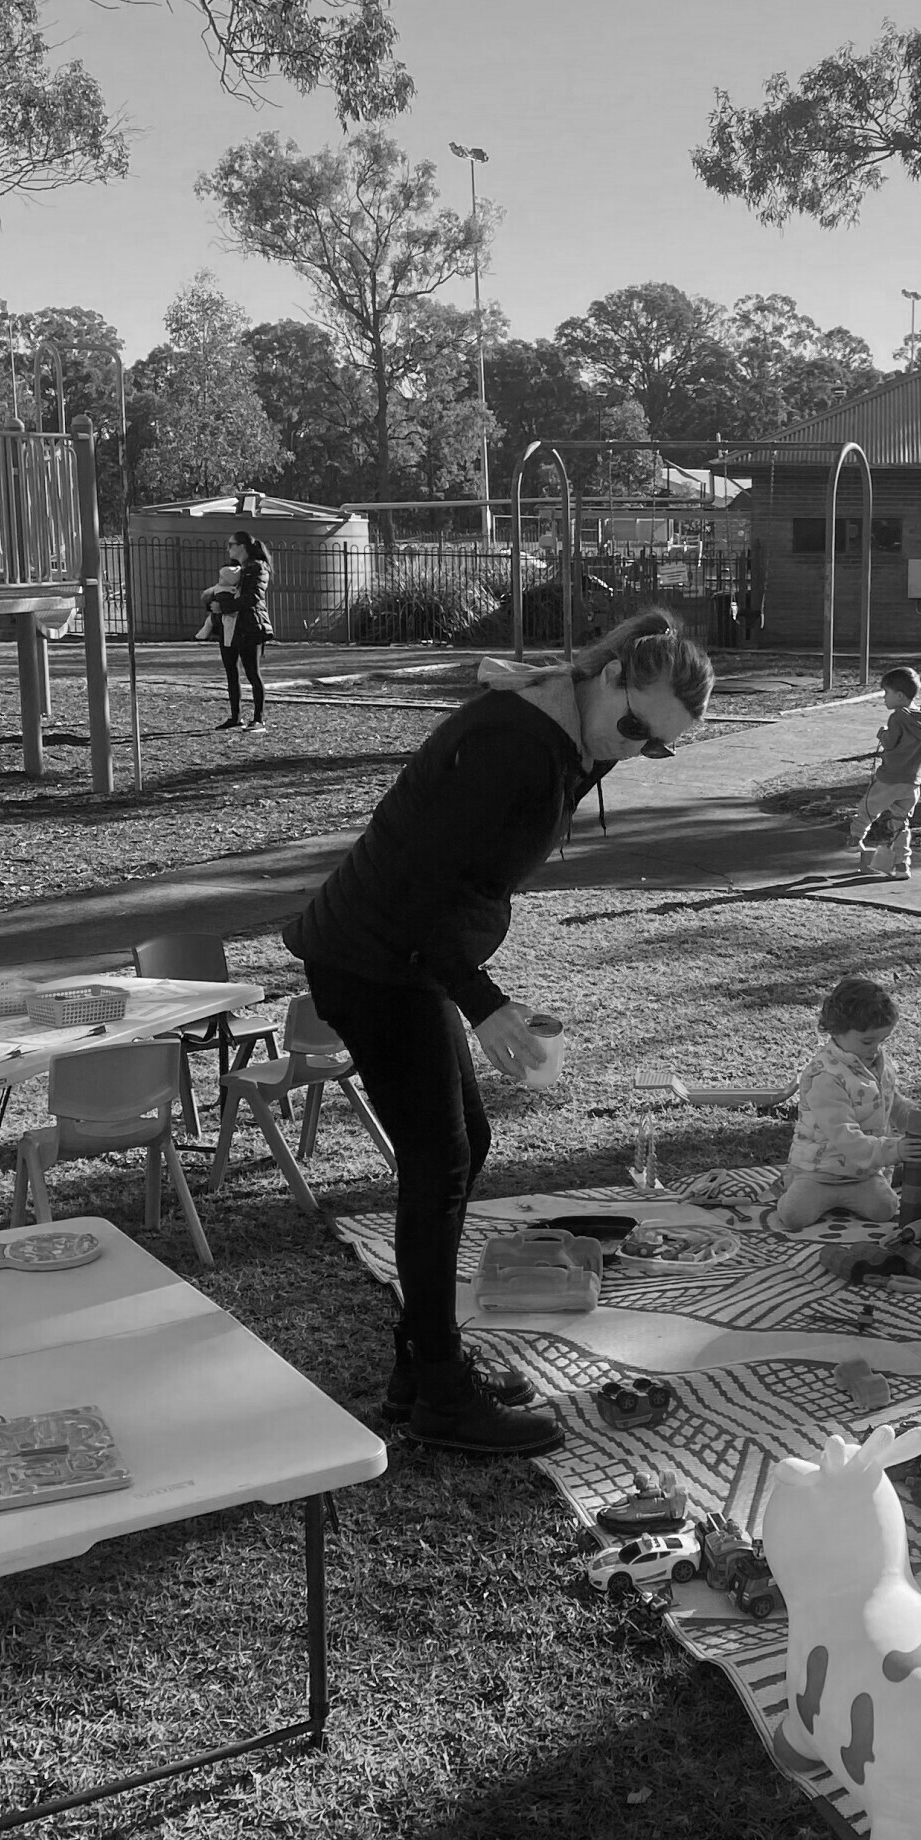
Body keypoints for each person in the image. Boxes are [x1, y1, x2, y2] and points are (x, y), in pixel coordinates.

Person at [281, 608, 714, 1454]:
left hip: (403, 955)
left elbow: (641, 647)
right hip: (376, 957)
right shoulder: (515, 747)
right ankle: (440, 1391)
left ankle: (420, 1359)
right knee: (439, 1160)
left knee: (463, 1142)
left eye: (653, 747)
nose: (631, 750)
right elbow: (419, 897)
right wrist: (485, 1005)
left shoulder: (569, 727)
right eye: (632, 726)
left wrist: (593, 694)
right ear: (612, 677)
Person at [771, 976, 912, 1232]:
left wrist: (917, 1119)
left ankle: (861, 1189)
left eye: (882, 1041)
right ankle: (793, 1179)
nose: (876, 1049)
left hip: (861, 1174)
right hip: (818, 1171)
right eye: (868, 1041)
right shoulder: (824, 1076)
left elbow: (892, 1100)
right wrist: (896, 1151)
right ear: (836, 1031)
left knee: (885, 1209)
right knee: (793, 1216)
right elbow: (846, 1138)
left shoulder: (875, 1060)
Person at [848, 667, 921, 878]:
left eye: (886, 693)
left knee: (867, 808)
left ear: (899, 695)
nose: (884, 699)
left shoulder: (897, 717)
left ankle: (855, 839)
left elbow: (889, 743)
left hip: (890, 778)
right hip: (912, 782)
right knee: (901, 823)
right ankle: (901, 865)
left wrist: (882, 733)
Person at [205, 533, 273, 729]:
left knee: (253, 673)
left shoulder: (258, 568)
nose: (228, 549)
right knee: (231, 673)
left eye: (231, 545)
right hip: (229, 627)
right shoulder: (234, 570)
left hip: (250, 627)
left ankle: (258, 719)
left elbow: (252, 598)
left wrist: (224, 607)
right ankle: (236, 717)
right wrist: (213, 602)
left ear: (242, 546)